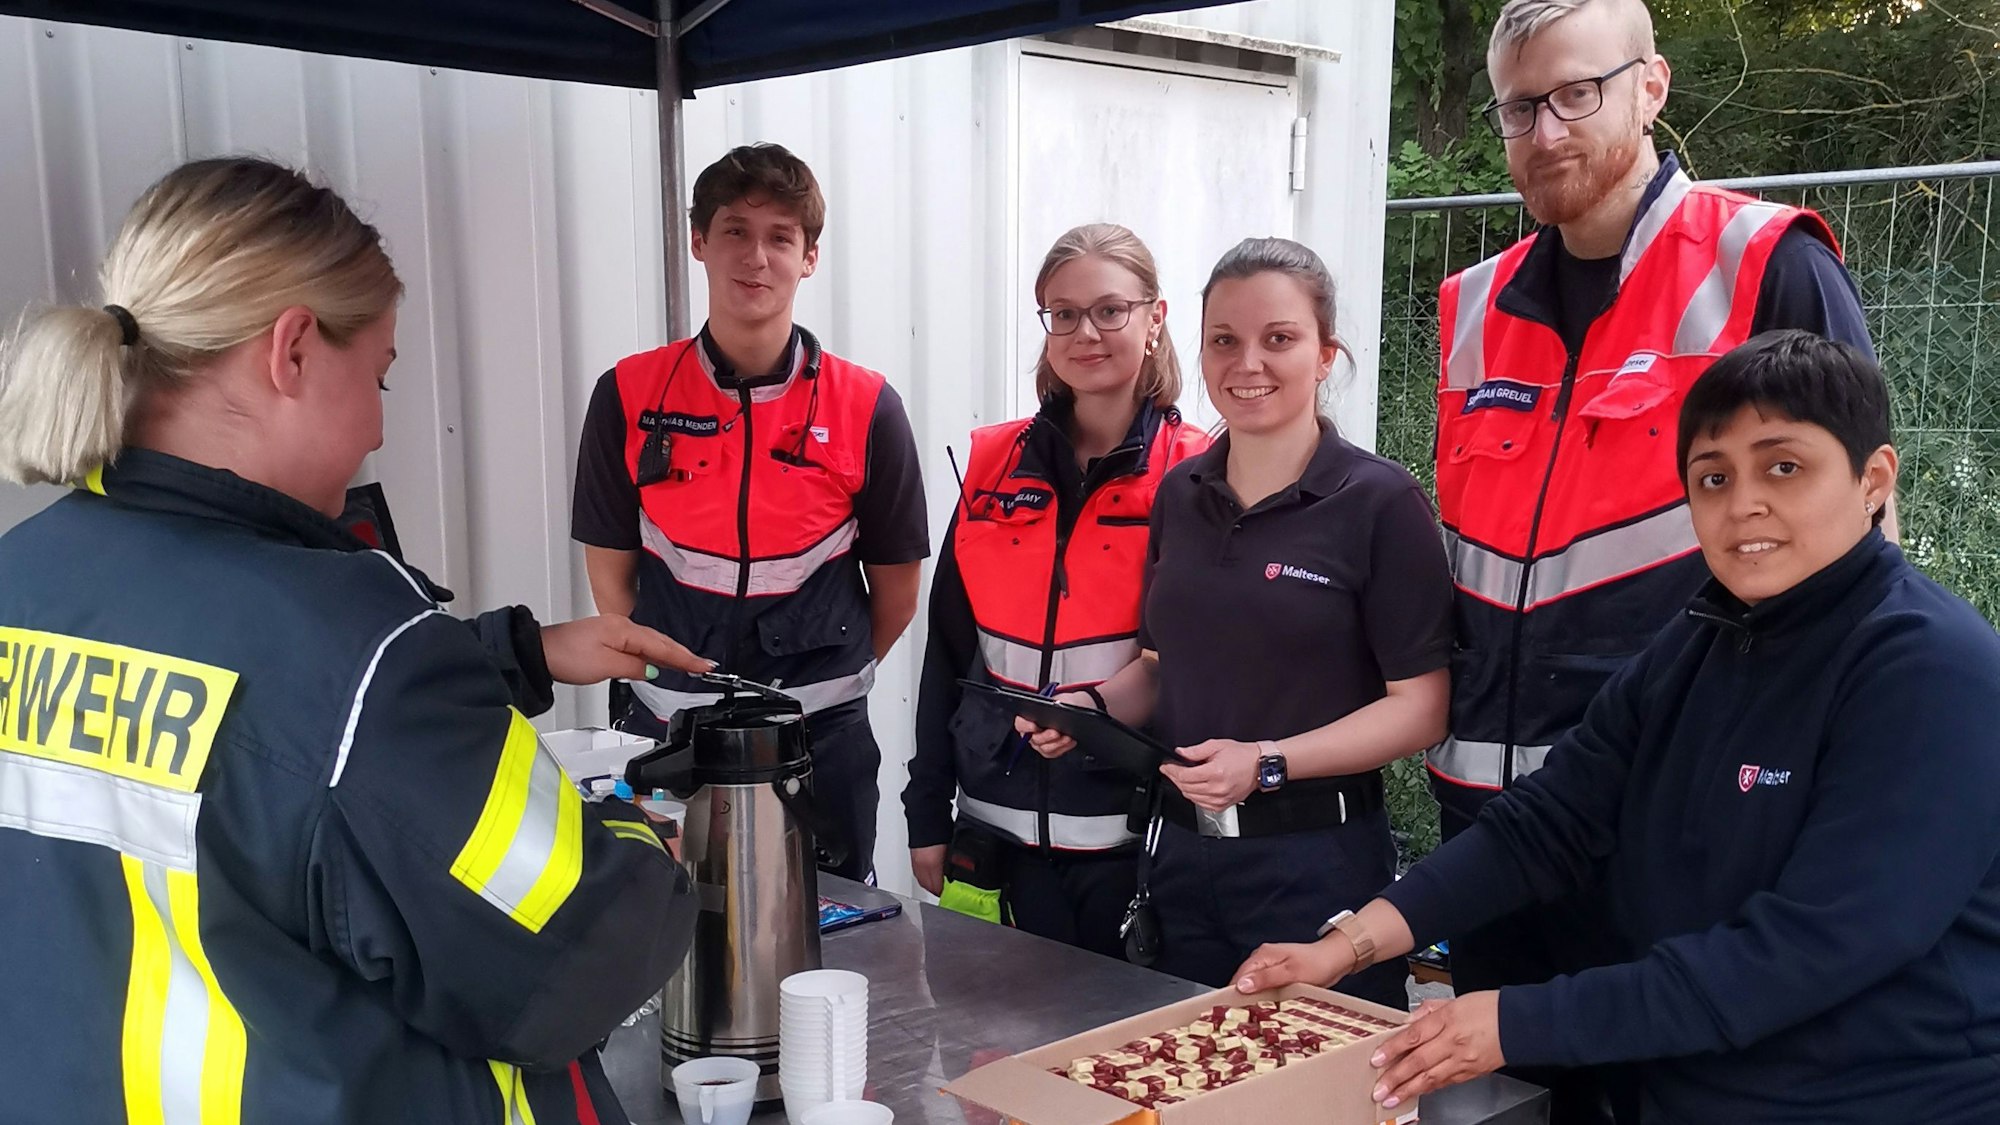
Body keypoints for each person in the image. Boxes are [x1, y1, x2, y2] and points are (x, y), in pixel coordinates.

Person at [0, 158, 703, 1124]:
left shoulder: (22, 582)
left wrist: (513, 655)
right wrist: (639, 829)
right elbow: (577, 949)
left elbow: (259, 760)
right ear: (291, 349)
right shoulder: (351, 643)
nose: (378, 425)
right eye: (379, 376)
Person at [1236, 330, 2000, 1124]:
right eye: (1713, 477)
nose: (1744, 504)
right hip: (1691, 1089)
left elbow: (1808, 948)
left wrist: (1519, 1021)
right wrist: (1349, 942)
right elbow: (1547, 820)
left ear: (1873, 479)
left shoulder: (1930, 669)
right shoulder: (1702, 638)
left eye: (1784, 466)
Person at [1426, 1, 1879, 1118]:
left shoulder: (1764, 261)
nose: (1542, 132)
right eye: (1518, 106)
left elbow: (1857, 559)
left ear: (1650, 87)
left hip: (1672, 830)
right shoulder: (1470, 308)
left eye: (1575, 94)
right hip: (1487, 823)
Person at [1019, 238, 1452, 1003]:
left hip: (1318, 872)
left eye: (1278, 339)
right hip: (1179, 863)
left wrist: (1268, 760)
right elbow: (1159, 667)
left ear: (1325, 355)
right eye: (1225, 340)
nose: (1246, 362)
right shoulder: (1182, 493)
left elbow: (1420, 709)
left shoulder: (1380, 503)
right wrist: (1088, 709)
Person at [571, 143, 929, 882]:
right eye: (735, 230)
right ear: (699, 242)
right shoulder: (629, 394)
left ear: (810, 258)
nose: (756, 257)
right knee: (661, 934)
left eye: (780, 237)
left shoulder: (868, 407)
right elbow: (611, 579)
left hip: (816, 743)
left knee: (828, 943)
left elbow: (896, 594)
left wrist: (819, 688)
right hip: (666, 732)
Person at [901, 223, 1209, 955]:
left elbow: (1200, 667)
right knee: (986, 1056)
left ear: (1154, 316)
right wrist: (924, 813)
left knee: (1118, 1064)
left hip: (1131, 844)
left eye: (1110, 310)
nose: (1085, 333)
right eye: (1062, 314)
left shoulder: (1197, 473)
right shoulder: (993, 465)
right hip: (991, 838)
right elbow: (948, 653)